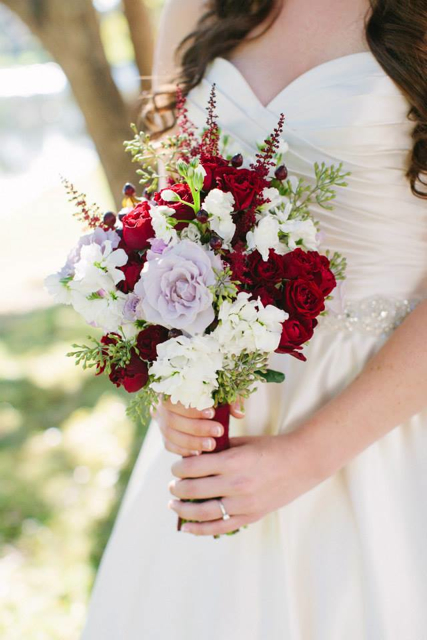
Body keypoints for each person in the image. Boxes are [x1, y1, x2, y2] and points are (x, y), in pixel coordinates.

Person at [81, 0, 427, 637]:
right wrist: (174, 378)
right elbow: (172, 214)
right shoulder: (195, 5)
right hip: (221, 422)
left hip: (385, 417)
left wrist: (305, 457)